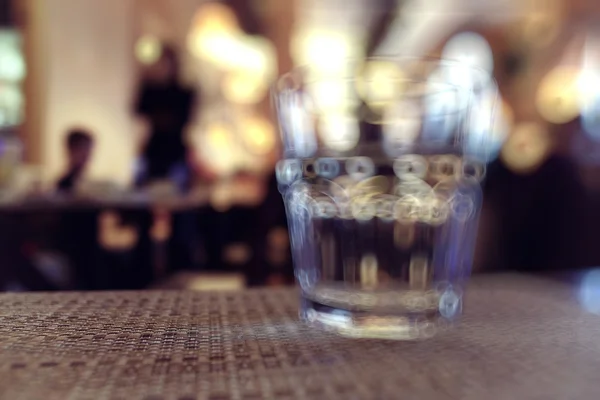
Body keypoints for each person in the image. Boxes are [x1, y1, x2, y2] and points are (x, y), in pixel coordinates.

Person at [133, 45, 196, 190]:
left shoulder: (183, 93)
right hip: (154, 150)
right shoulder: (150, 90)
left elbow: (187, 119)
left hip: (175, 150)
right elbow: (138, 110)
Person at [56, 129, 94, 193]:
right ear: (71, 150)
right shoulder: (64, 184)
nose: (87, 156)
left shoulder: (86, 182)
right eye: (82, 149)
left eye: (89, 151)